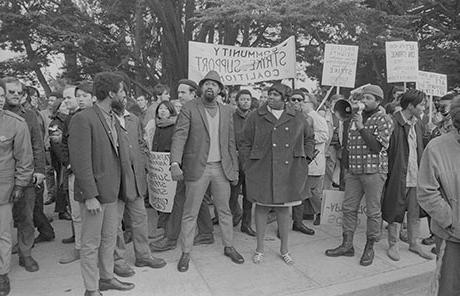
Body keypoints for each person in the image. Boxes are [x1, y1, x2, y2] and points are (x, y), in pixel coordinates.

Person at [170, 70, 243, 272]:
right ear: (201, 88)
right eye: (207, 84)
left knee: (224, 211)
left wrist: (234, 169)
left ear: (220, 90)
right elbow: (180, 136)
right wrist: (175, 163)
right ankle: (186, 252)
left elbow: (230, 142)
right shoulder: (189, 108)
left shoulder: (228, 111)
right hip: (197, 169)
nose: (210, 87)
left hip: (221, 168)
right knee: (190, 212)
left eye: (214, 85)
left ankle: (229, 246)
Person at [68, 72, 134, 295]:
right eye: (122, 90)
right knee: (90, 244)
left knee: (109, 240)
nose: (124, 95)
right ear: (111, 93)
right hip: (95, 196)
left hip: (113, 194)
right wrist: (89, 196)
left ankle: (106, 278)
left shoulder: (113, 118)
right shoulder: (83, 118)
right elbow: (80, 161)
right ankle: (91, 288)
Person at [240, 84, 315, 265]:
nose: (270, 98)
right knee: (262, 207)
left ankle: (284, 249)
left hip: (288, 170)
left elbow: (309, 138)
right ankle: (259, 249)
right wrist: (248, 165)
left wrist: (306, 159)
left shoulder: (297, 117)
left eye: (275, 95)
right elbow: (244, 143)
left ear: (284, 98)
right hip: (261, 169)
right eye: (269, 94)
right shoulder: (255, 116)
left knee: (283, 208)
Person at [325, 85, 393, 266]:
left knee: (373, 211)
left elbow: (376, 147)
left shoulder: (384, 119)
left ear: (378, 101)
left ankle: (369, 247)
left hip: (374, 172)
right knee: (348, 208)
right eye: (363, 98)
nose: (364, 101)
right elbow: (348, 144)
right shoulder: (353, 118)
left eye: (369, 98)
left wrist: (361, 125)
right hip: (354, 171)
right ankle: (347, 245)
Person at [150, 79, 214, 253]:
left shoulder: (196, 111)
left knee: (181, 200)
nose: (179, 96)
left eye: (183, 92)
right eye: (178, 92)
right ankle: (206, 233)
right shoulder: (188, 110)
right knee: (195, 200)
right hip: (187, 164)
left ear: (194, 93)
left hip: (193, 165)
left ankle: (171, 239)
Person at [111, 88, 167, 278]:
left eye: (125, 96)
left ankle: (143, 255)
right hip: (116, 180)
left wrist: (143, 164)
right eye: (120, 95)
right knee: (115, 224)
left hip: (135, 179)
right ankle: (117, 261)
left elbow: (142, 144)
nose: (123, 99)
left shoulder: (134, 119)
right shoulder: (105, 119)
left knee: (140, 218)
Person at [382, 89, 433, 261]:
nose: (424, 107)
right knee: (395, 210)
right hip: (398, 174)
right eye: (421, 104)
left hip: (415, 174)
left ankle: (414, 243)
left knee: (415, 211)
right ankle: (393, 244)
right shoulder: (392, 122)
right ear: (411, 106)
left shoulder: (418, 123)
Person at [417, 95, 460, 296]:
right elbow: (426, 191)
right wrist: (451, 221)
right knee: (449, 289)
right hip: (452, 238)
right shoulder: (437, 147)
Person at [3, 77, 46, 273]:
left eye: (19, 92)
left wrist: (39, 171)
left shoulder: (29, 116)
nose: (15, 95)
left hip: (27, 176)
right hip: (4, 177)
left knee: (26, 217)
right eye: (11, 91)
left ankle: (25, 254)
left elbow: (37, 145)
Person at [0, 80, 34, 296]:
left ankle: (2, 274)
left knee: (3, 233)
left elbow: (24, 158)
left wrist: (20, 185)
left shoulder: (16, 123)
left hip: (2, 190)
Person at [59, 81, 96, 264]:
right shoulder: (69, 119)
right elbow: (64, 145)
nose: (79, 99)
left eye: (83, 96)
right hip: (75, 174)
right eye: (78, 96)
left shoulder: (100, 117)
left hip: (96, 174)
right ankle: (80, 249)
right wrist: (69, 164)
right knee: (77, 214)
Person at [294, 91, 329, 227]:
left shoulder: (316, 117)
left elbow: (324, 136)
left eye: (303, 101)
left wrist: (308, 137)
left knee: (311, 191)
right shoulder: (303, 117)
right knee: (306, 190)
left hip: (314, 159)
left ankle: (321, 211)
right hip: (305, 159)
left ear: (311, 104)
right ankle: (307, 214)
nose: (300, 103)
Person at [231, 89, 256, 236]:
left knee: (249, 196)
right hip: (234, 162)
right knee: (231, 195)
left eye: (248, 99)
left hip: (250, 163)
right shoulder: (230, 117)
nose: (245, 102)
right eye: (242, 99)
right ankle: (232, 219)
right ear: (237, 101)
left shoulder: (255, 117)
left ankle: (246, 225)